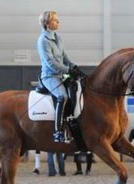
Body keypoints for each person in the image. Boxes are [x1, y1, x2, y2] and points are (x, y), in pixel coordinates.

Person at [37, 11, 84, 143]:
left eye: (57, 20)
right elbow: (50, 63)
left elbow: (64, 57)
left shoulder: (58, 38)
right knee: (62, 96)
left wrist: (74, 67)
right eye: (55, 20)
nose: (58, 22)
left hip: (62, 74)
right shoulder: (43, 40)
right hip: (49, 76)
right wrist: (68, 70)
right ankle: (58, 131)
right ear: (47, 23)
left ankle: (73, 122)